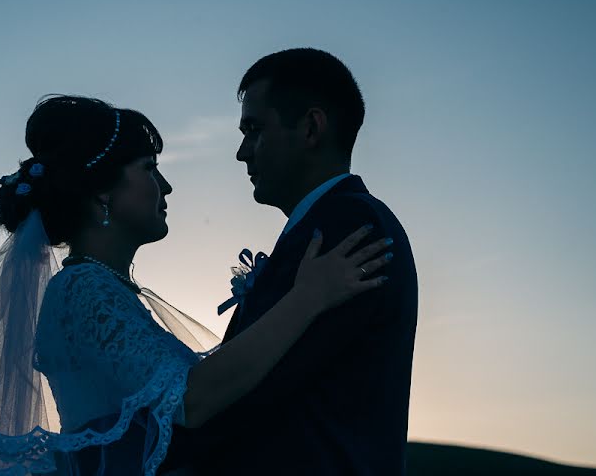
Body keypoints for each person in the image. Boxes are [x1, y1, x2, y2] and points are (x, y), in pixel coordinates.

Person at [0, 94, 393, 476]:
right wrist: (307, 298)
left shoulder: (104, 291)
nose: (165, 187)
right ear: (103, 191)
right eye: (149, 169)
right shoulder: (84, 292)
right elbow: (193, 399)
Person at [163, 48, 418, 475]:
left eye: (254, 129)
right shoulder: (325, 225)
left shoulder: (348, 226)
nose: (242, 152)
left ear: (311, 128)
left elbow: (250, 396)